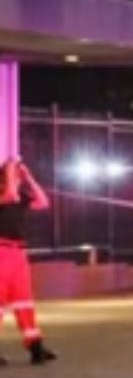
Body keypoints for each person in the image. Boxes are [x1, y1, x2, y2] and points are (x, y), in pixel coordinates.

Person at [0, 157, 55, 367]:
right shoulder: (5, 194)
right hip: (1, 252)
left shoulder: (19, 194)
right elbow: (9, 196)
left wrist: (28, 176)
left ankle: (35, 347)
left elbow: (42, 202)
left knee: (24, 301)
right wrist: (11, 172)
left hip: (18, 253)